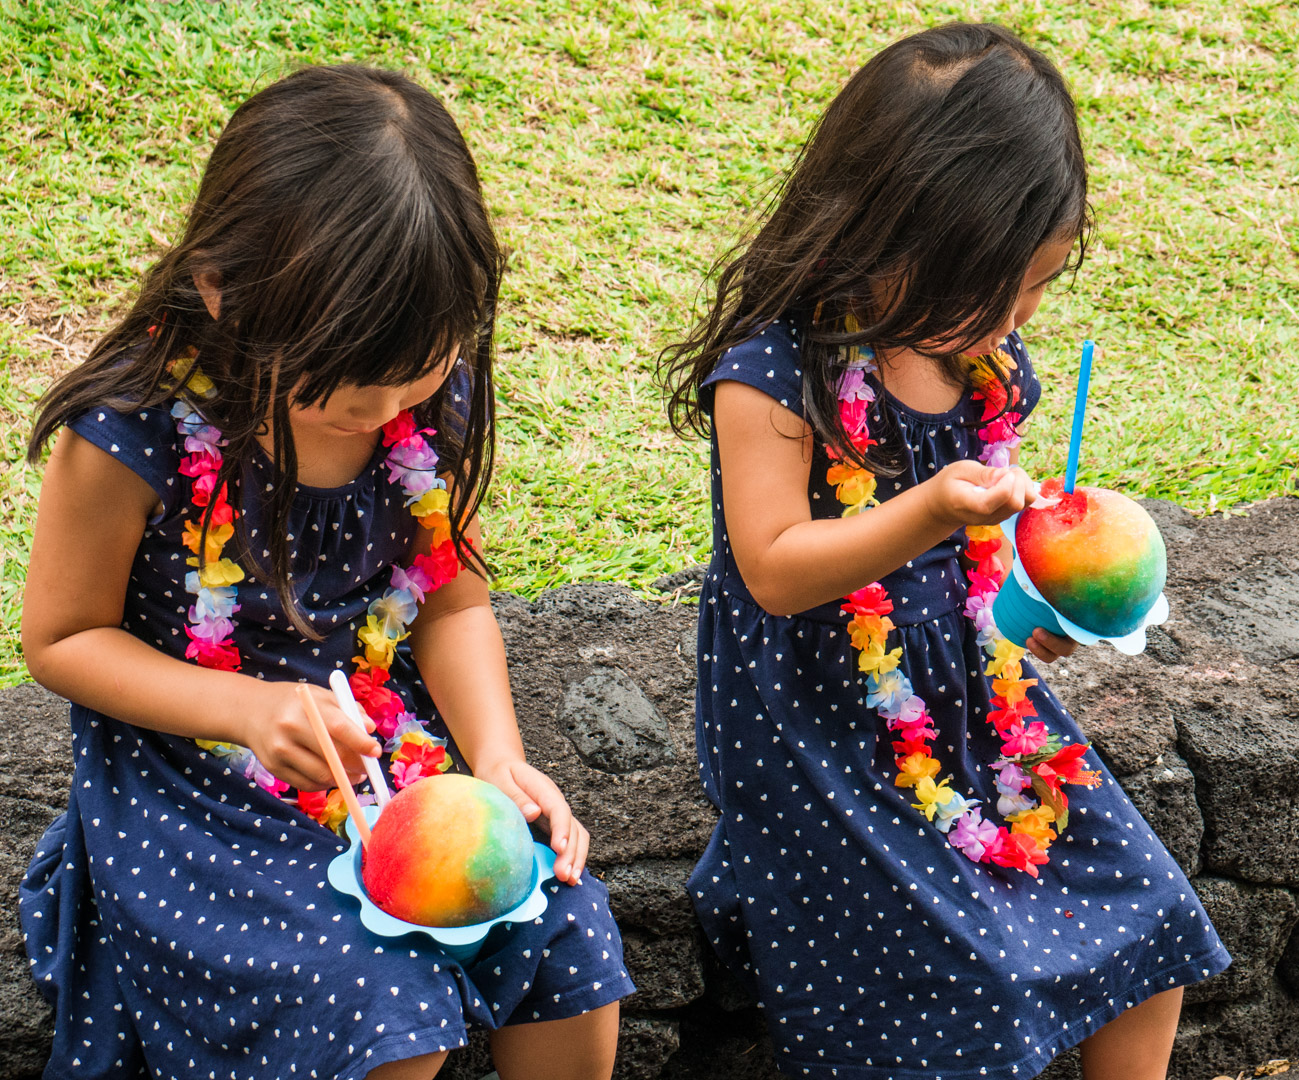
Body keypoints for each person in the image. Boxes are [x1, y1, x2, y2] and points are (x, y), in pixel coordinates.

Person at [20, 65, 631, 1080]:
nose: (387, 411)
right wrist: (248, 709)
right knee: (378, 1008)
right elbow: (62, 639)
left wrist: (497, 758)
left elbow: (453, 598)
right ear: (224, 292)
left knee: (568, 932)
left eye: (418, 374)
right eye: (350, 388)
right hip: (196, 781)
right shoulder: (132, 431)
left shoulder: (419, 389)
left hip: (386, 752)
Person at [660, 22, 1230, 1080]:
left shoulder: (980, 362)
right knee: (981, 983)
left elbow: (980, 562)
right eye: (997, 286)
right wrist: (925, 511)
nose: (1017, 317)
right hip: (820, 722)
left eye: (1039, 288)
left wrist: (1034, 609)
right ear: (892, 237)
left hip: (972, 691)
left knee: (1153, 921)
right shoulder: (774, 375)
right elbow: (776, 567)